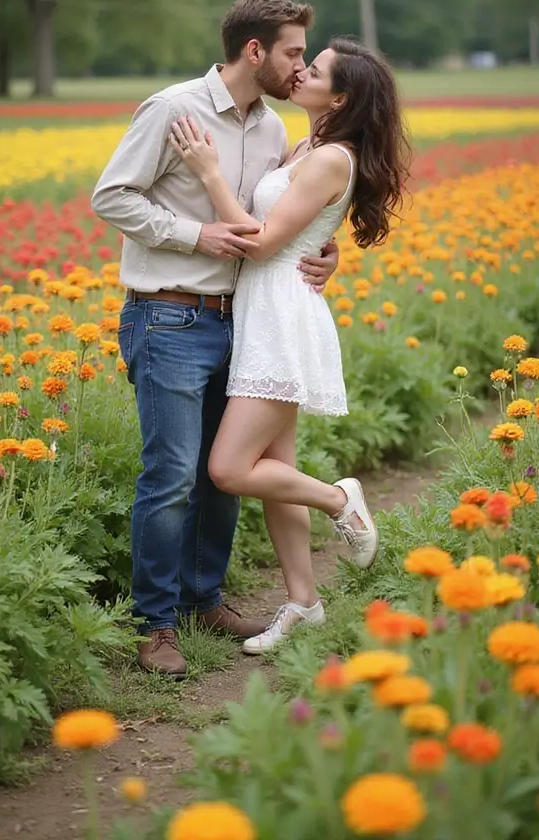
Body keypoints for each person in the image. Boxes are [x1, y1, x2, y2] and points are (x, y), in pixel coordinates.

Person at [91, 0, 341, 679]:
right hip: (166, 315)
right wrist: (192, 233)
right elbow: (111, 195)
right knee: (169, 475)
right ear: (254, 50)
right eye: (293, 52)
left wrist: (326, 249)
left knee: (218, 478)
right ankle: (154, 625)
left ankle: (203, 600)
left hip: (239, 319)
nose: (299, 67)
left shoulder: (269, 131)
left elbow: (280, 217)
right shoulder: (174, 109)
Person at [167, 36, 410, 654]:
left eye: (316, 68)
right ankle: (304, 601)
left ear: (342, 95)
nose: (301, 70)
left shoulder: (332, 158)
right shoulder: (306, 146)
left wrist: (209, 174)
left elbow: (264, 242)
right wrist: (327, 253)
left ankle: (339, 498)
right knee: (274, 467)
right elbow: (304, 234)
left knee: (229, 469)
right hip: (264, 309)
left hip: (280, 316)